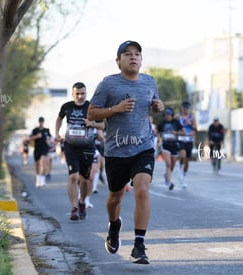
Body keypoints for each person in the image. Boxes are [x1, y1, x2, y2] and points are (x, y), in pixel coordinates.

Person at [87, 40, 165, 264]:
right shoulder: (108, 84)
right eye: (128, 54)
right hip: (116, 151)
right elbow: (92, 113)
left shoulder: (149, 82)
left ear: (141, 60)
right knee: (115, 198)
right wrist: (115, 109)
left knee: (142, 190)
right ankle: (114, 225)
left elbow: (154, 105)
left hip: (143, 147)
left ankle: (139, 245)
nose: (133, 57)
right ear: (118, 60)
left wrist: (159, 107)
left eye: (137, 54)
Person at [55, 82, 105, 221]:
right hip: (70, 146)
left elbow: (102, 124)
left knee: (85, 180)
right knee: (73, 177)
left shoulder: (91, 107)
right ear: (73, 94)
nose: (80, 96)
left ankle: (82, 201)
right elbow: (59, 119)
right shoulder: (66, 107)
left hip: (87, 148)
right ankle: (74, 208)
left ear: (86, 93)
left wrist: (92, 124)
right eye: (77, 93)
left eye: (82, 93)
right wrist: (57, 133)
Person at [157, 107, 184, 190]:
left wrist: (176, 132)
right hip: (165, 145)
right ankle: (169, 183)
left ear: (172, 115)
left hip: (174, 145)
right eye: (166, 115)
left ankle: (166, 175)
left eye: (169, 115)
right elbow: (157, 132)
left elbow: (183, 132)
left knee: (172, 165)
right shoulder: (162, 123)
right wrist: (158, 139)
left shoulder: (176, 122)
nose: (167, 116)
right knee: (168, 164)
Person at [177, 101, 197, 188]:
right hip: (181, 139)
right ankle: (180, 168)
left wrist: (191, 125)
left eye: (187, 108)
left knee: (187, 160)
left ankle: (184, 178)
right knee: (182, 156)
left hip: (189, 140)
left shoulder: (192, 117)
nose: (186, 110)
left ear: (189, 109)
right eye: (184, 108)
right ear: (182, 108)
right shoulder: (178, 116)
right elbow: (174, 126)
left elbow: (196, 128)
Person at [29, 117, 51, 187]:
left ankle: (43, 180)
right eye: (40, 122)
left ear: (43, 122)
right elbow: (30, 138)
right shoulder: (35, 130)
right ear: (39, 122)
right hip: (37, 149)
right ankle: (38, 179)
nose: (41, 123)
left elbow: (50, 138)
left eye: (42, 121)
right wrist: (37, 136)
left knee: (43, 164)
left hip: (44, 150)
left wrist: (49, 141)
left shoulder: (46, 130)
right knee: (37, 165)